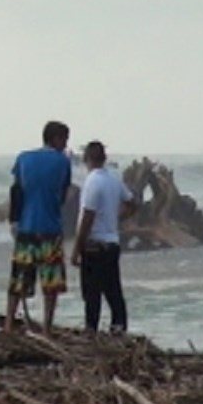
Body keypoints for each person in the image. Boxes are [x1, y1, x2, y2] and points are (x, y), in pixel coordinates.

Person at [7, 121, 71, 335]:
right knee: (50, 283)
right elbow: (62, 194)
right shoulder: (62, 161)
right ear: (56, 139)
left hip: (26, 226)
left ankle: (8, 323)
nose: (65, 145)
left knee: (18, 279)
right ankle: (46, 327)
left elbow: (16, 191)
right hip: (50, 228)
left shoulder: (23, 158)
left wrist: (14, 220)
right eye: (64, 139)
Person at [70, 141, 136, 334]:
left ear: (86, 159)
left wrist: (76, 250)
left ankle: (91, 331)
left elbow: (87, 217)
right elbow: (132, 203)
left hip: (94, 245)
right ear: (104, 159)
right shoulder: (113, 179)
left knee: (91, 294)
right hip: (112, 243)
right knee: (113, 290)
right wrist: (115, 218)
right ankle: (118, 328)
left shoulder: (92, 182)